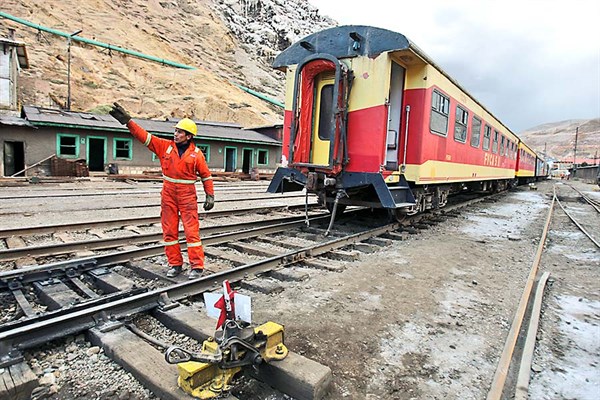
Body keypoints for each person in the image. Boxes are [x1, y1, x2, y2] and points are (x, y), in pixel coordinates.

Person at [109, 102, 214, 279]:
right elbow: (144, 137)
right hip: (168, 195)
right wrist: (129, 122)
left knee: (191, 231)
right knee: (169, 231)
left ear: (189, 136)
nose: (176, 134)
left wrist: (210, 195)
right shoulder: (164, 146)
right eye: (176, 131)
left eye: (180, 132)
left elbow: (206, 175)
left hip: (187, 196)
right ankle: (175, 264)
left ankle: (197, 267)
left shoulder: (197, 154)